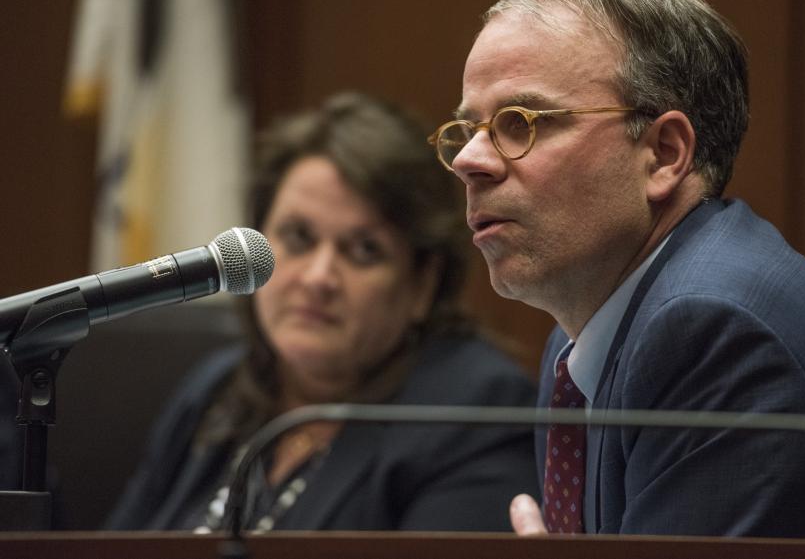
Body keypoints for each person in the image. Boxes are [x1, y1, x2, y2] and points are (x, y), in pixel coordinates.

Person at [428, 0, 805, 538]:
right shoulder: (577, 336)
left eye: (520, 122)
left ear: (663, 154)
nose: (469, 161)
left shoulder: (713, 331)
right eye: (468, 130)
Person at [106, 91, 538, 532]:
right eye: (298, 237)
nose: (318, 278)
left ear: (422, 284)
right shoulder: (217, 391)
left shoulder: (474, 415)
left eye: (364, 251)